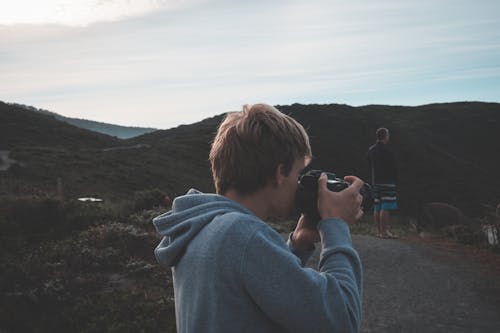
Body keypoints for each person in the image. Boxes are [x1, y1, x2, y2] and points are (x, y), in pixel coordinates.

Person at [153, 103, 364, 333]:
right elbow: (342, 318)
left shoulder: (201, 228)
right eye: (298, 173)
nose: (298, 183)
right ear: (280, 172)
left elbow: (247, 291)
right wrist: (337, 225)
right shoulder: (241, 234)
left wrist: (297, 244)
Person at [367, 127, 398, 239]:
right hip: (387, 181)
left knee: (377, 205)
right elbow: (393, 166)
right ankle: (384, 232)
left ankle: (379, 231)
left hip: (376, 181)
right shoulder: (388, 150)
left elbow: (369, 164)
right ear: (385, 136)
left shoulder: (371, 149)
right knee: (386, 206)